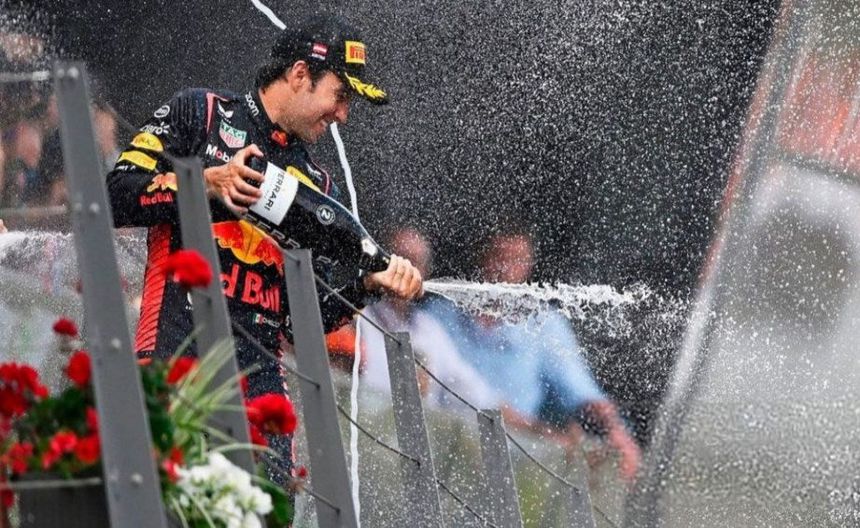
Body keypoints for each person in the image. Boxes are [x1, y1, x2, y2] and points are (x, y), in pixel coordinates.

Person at [105, 14, 423, 489]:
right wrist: (203, 184)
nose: (343, 115)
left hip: (258, 386)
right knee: (157, 504)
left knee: (272, 510)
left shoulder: (319, 186)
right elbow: (113, 196)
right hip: (174, 351)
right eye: (340, 95)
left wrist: (366, 286)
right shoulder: (200, 113)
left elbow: (298, 321)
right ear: (299, 74)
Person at [433, 232, 641, 482]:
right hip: (438, 447)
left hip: (509, 463)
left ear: (529, 268)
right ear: (480, 259)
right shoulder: (437, 317)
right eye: (498, 257)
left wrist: (616, 433)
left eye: (516, 260)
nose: (505, 269)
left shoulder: (543, 325)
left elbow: (581, 391)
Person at [359, 228, 503, 414]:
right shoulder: (356, 316)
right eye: (400, 258)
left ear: (425, 273)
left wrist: (527, 424)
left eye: (415, 262)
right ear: (380, 261)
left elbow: (473, 394)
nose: (406, 270)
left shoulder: (430, 330)